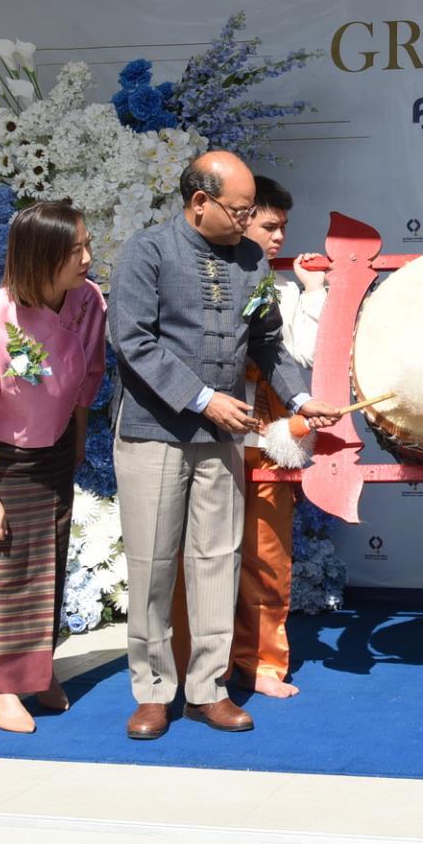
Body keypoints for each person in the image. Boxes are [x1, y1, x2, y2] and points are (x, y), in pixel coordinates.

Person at [108, 151, 337, 741]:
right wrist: (203, 398)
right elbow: (132, 341)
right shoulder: (147, 251)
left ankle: (208, 690)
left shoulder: (251, 260)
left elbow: (268, 343)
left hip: (222, 435)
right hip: (155, 432)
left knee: (217, 561)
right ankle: (152, 692)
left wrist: (299, 398)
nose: (245, 221)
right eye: (238, 210)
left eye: (249, 210)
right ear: (199, 202)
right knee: (153, 566)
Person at [0, 202, 105, 734]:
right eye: (74, 250)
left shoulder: (88, 300)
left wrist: (76, 440)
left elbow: (89, 374)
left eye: (87, 244)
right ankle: (0, 686)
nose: (87, 257)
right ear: (40, 257)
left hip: (53, 450)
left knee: (44, 567)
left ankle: (37, 671)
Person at [230, 174, 327, 699]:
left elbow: (306, 355)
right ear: (238, 218)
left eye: (283, 227)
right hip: (209, 433)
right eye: (269, 226)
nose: (280, 237)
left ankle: (262, 664)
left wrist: (313, 292)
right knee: (199, 558)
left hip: (270, 438)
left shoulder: (284, 289)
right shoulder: (204, 278)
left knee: (266, 557)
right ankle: (200, 663)